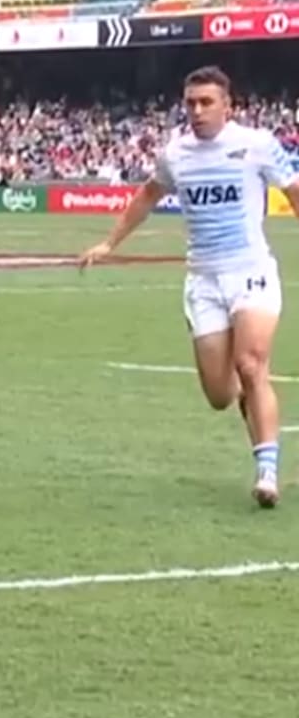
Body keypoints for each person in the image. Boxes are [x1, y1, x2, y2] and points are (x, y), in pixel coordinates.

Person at [79, 65, 299, 508]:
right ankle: (251, 407)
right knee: (220, 394)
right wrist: (109, 242)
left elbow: (294, 192)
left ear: (227, 105)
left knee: (252, 364)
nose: (197, 111)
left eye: (206, 102)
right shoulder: (175, 154)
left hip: (251, 271)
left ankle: (268, 473)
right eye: (191, 103)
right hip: (204, 280)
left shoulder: (255, 146)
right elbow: (146, 195)